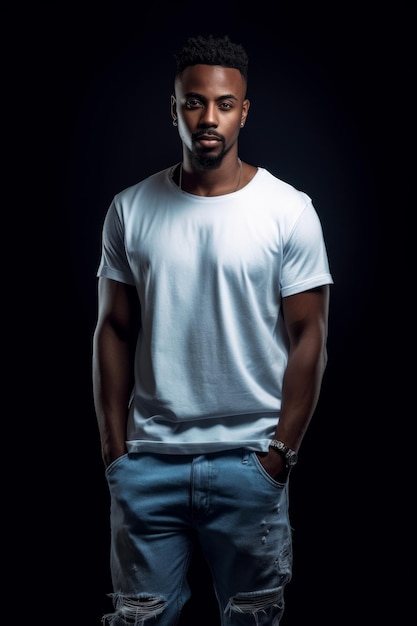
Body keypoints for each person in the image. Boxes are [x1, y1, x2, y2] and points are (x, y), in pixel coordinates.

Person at [92, 33, 333, 626]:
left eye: (225, 104)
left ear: (244, 111)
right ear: (173, 110)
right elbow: (114, 330)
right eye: (194, 102)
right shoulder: (130, 208)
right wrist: (114, 451)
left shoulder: (288, 210)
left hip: (250, 464)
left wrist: (280, 453)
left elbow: (311, 338)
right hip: (149, 466)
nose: (209, 116)